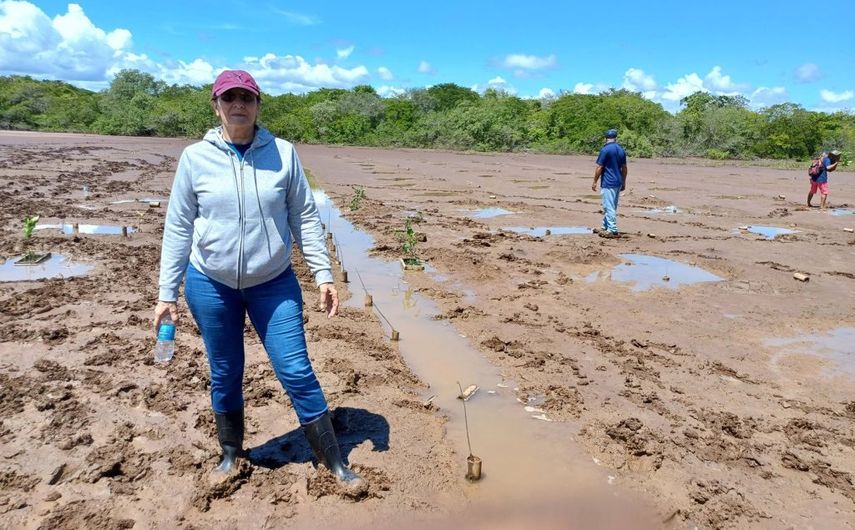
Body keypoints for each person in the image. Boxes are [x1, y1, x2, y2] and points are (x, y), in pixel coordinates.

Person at [153, 70, 366, 495]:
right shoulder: (195, 158)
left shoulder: (283, 154)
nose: (238, 105)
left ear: (257, 105)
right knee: (225, 370)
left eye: (246, 98)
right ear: (216, 106)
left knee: (295, 368)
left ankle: (334, 461)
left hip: (273, 282)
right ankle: (231, 452)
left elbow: (304, 216)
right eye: (228, 98)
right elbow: (178, 226)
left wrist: (323, 273)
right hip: (210, 283)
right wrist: (166, 292)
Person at [591, 129, 628, 238]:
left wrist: (594, 181)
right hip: (617, 182)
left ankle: (612, 229)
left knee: (608, 206)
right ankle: (605, 226)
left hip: (608, 181)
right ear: (616, 138)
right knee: (611, 205)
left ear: (606, 138)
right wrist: (624, 181)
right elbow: (624, 168)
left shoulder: (605, 150)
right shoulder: (621, 150)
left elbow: (599, 167)